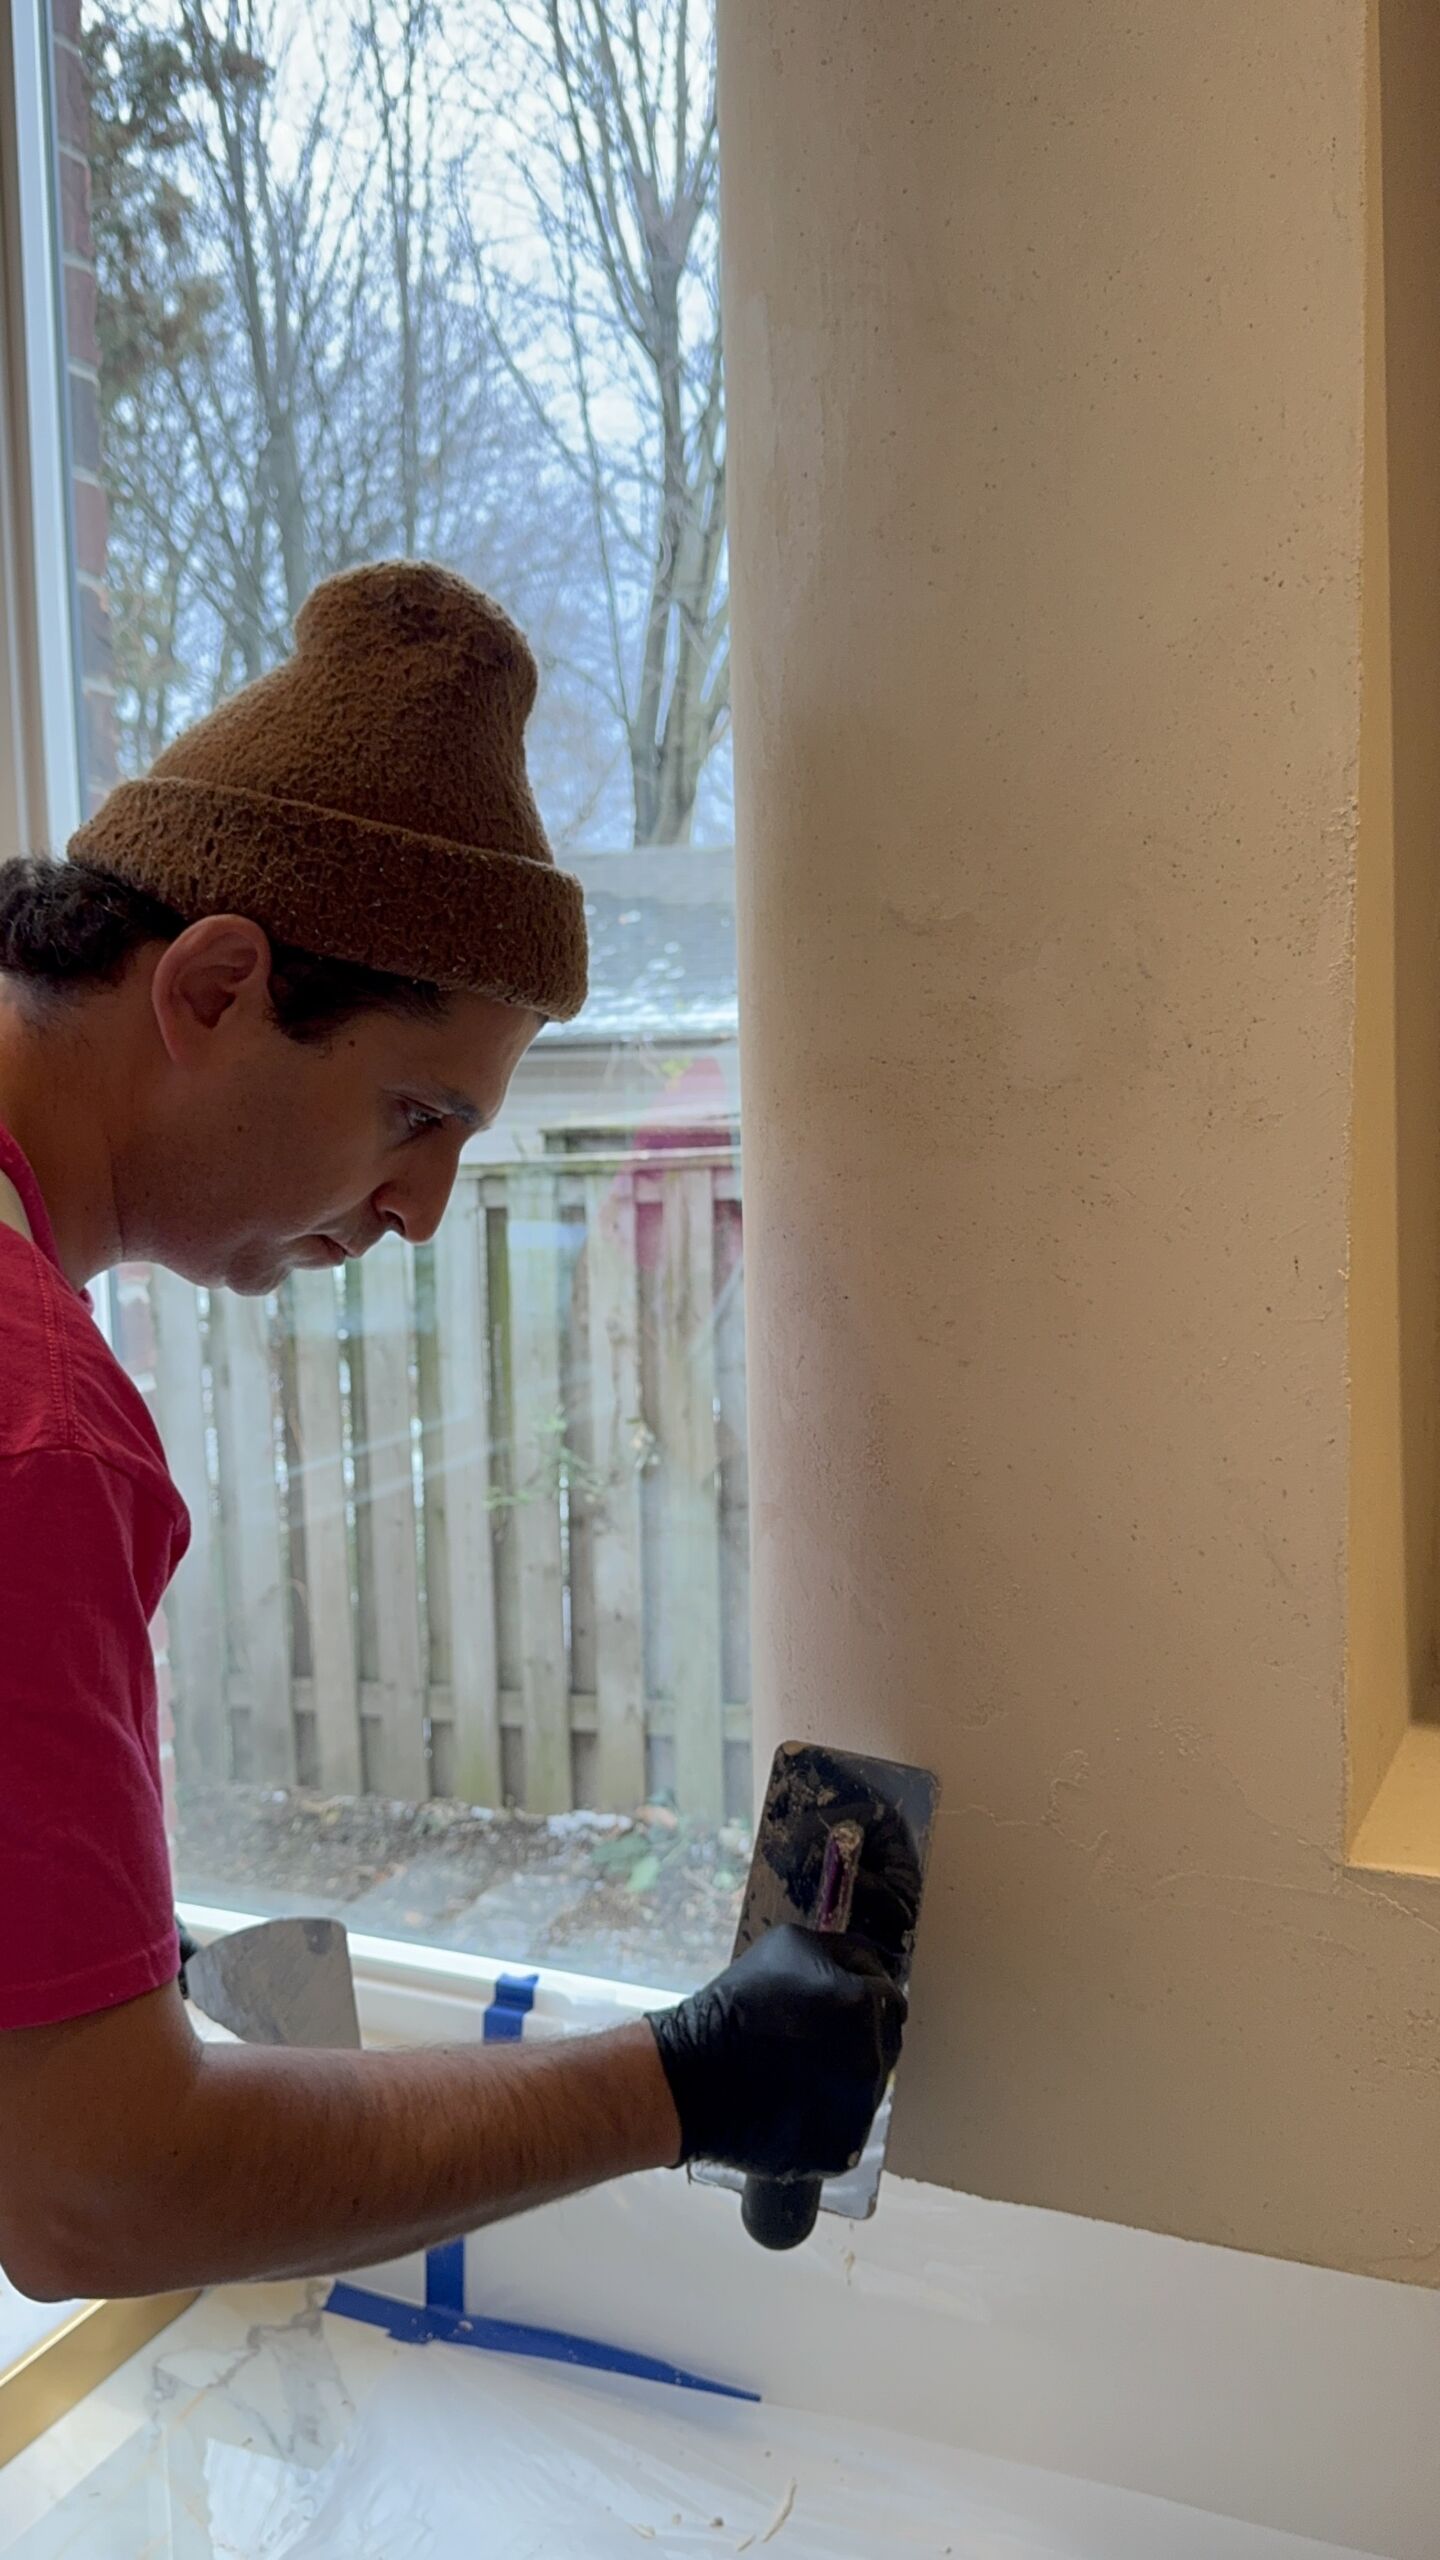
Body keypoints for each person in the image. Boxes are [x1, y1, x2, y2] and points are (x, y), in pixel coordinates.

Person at [0, 561, 904, 2302]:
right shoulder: (39, 1428)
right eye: (418, 1112)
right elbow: (94, 2193)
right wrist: (683, 2079)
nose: (421, 1210)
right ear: (210, 987)